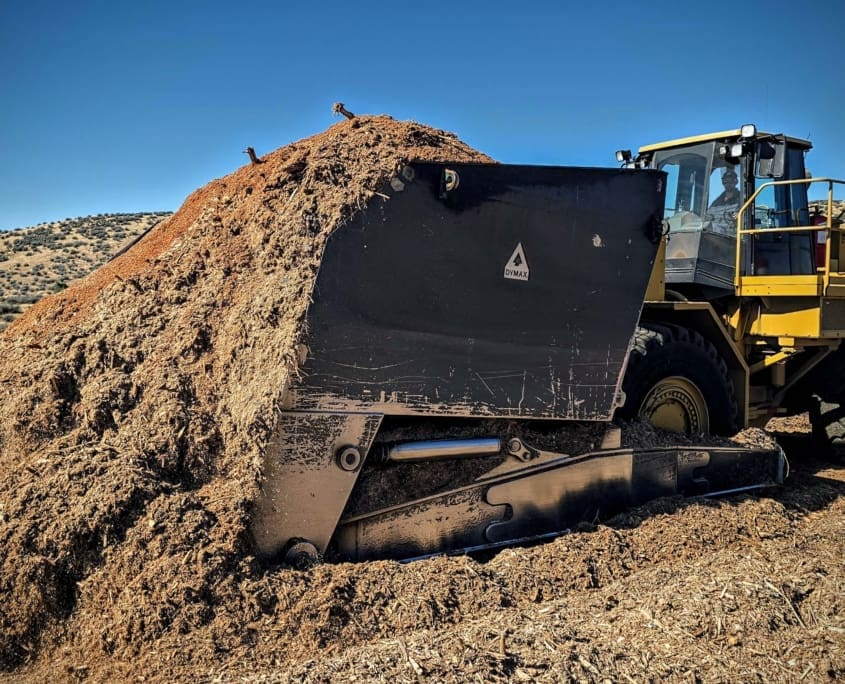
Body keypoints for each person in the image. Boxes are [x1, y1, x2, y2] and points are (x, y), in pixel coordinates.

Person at [707, 168, 741, 234]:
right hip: (715, 235)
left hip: (733, 236)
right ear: (723, 182)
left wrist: (739, 216)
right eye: (725, 181)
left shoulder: (742, 198)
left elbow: (746, 218)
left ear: (736, 181)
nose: (727, 184)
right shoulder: (717, 202)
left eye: (730, 181)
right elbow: (708, 216)